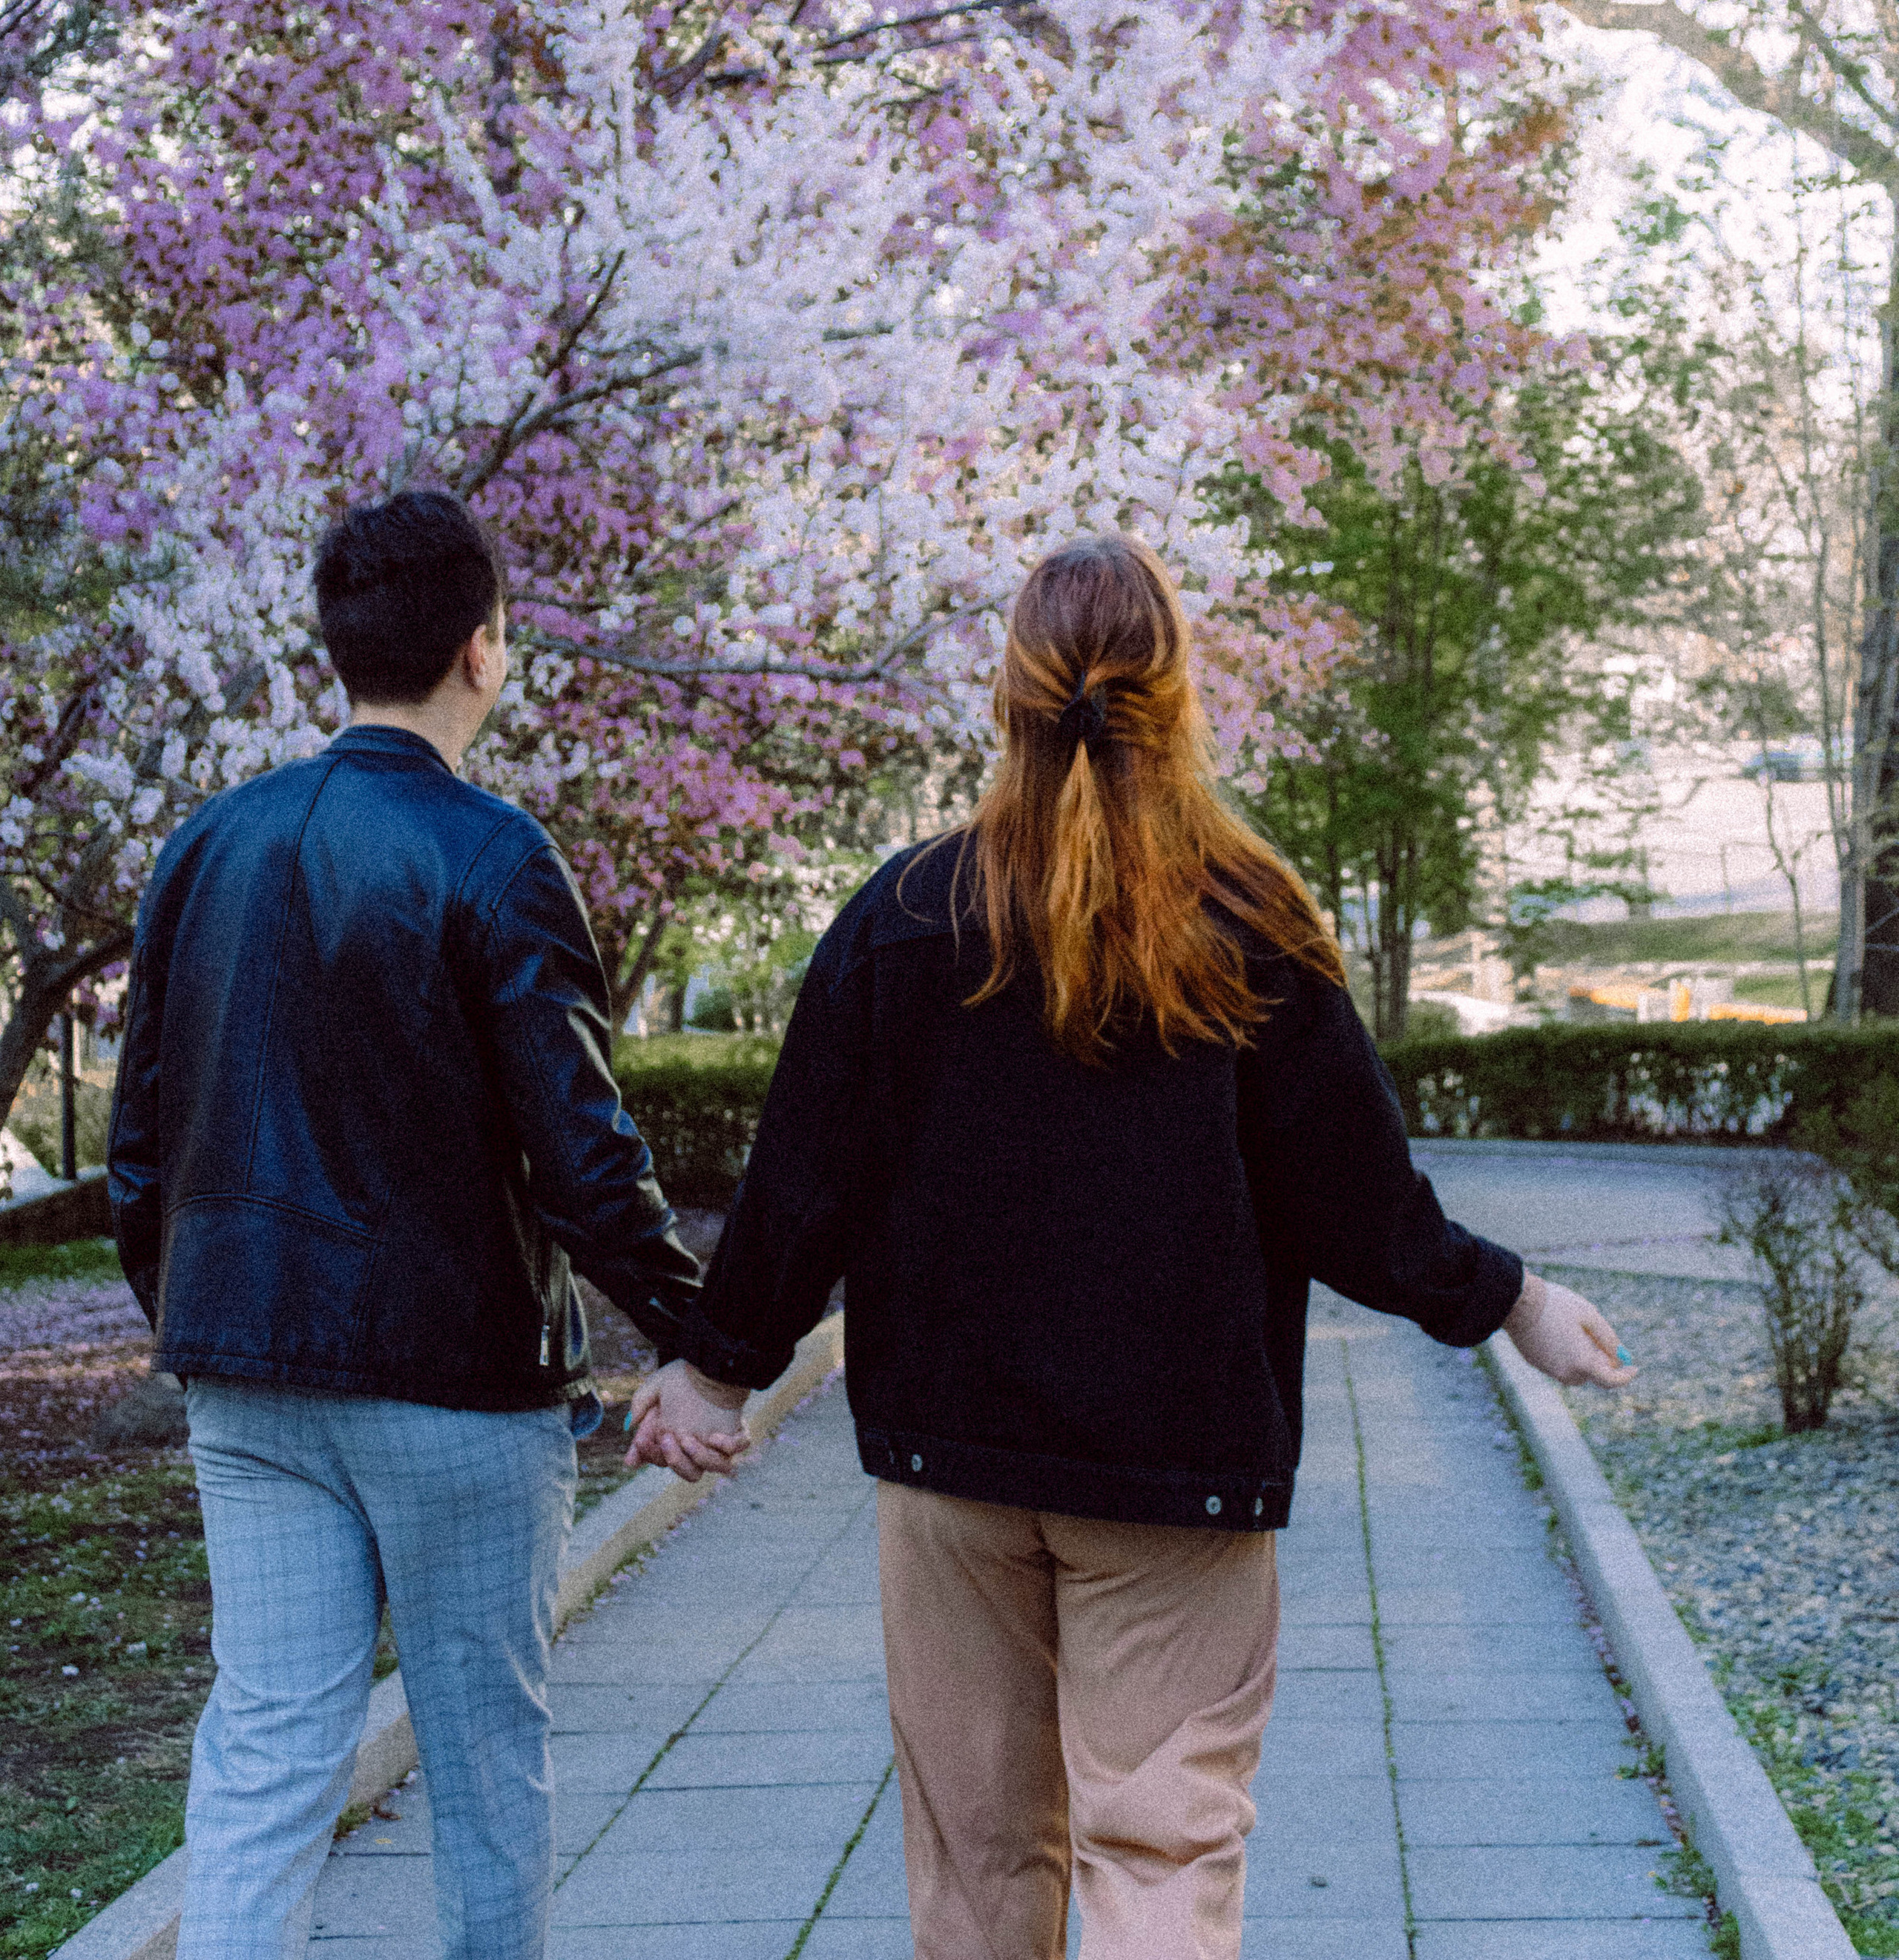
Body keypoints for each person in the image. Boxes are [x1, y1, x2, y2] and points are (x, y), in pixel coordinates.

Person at [629, 532, 1635, 1960]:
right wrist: (1514, 1299)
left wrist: (715, 1372)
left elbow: (803, 1182)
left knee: (978, 1873)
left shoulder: (905, 918)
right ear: (1177, 692)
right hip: (1177, 1482)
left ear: (1007, 697)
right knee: (1162, 1857)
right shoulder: (1252, 921)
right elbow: (1359, 1207)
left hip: (951, 1469)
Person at [108, 487, 702, 1960]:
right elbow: (581, 1153)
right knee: (485, 1769)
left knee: (262, 1766)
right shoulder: (491, 852)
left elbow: (139, 1149)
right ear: (483, 650)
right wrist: (710, 1337)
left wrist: (200, 1316)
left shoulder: (206, 846)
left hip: (244, 1375)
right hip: (452, 1384)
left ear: (336, 646)